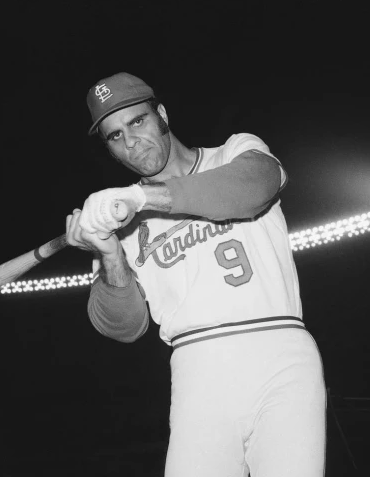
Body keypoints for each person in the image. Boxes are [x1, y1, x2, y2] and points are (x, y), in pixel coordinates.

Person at [65, 72, 326, 477]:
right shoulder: (119, 221)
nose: (131, 141)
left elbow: (256, 185)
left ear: (162, 115)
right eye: (115, 135)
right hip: (196, 369)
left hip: (280, 355)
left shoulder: (235, 152)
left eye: (138, 121)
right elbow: (124, 327)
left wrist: (140, 196)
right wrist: (109, 252)